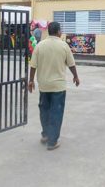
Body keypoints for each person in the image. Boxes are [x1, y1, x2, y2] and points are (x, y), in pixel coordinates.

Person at [28, 21, 80, 150]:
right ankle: (52, 141)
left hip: (44, 85)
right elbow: (71, 64)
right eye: (60, 30)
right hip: (58, 87)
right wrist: (76, 76)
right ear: (58, 32)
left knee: (44, 110)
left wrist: (31, 81)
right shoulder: (64, 46)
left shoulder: (40, 46)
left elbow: (33, 65)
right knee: (56, 112)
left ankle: (45, 134)